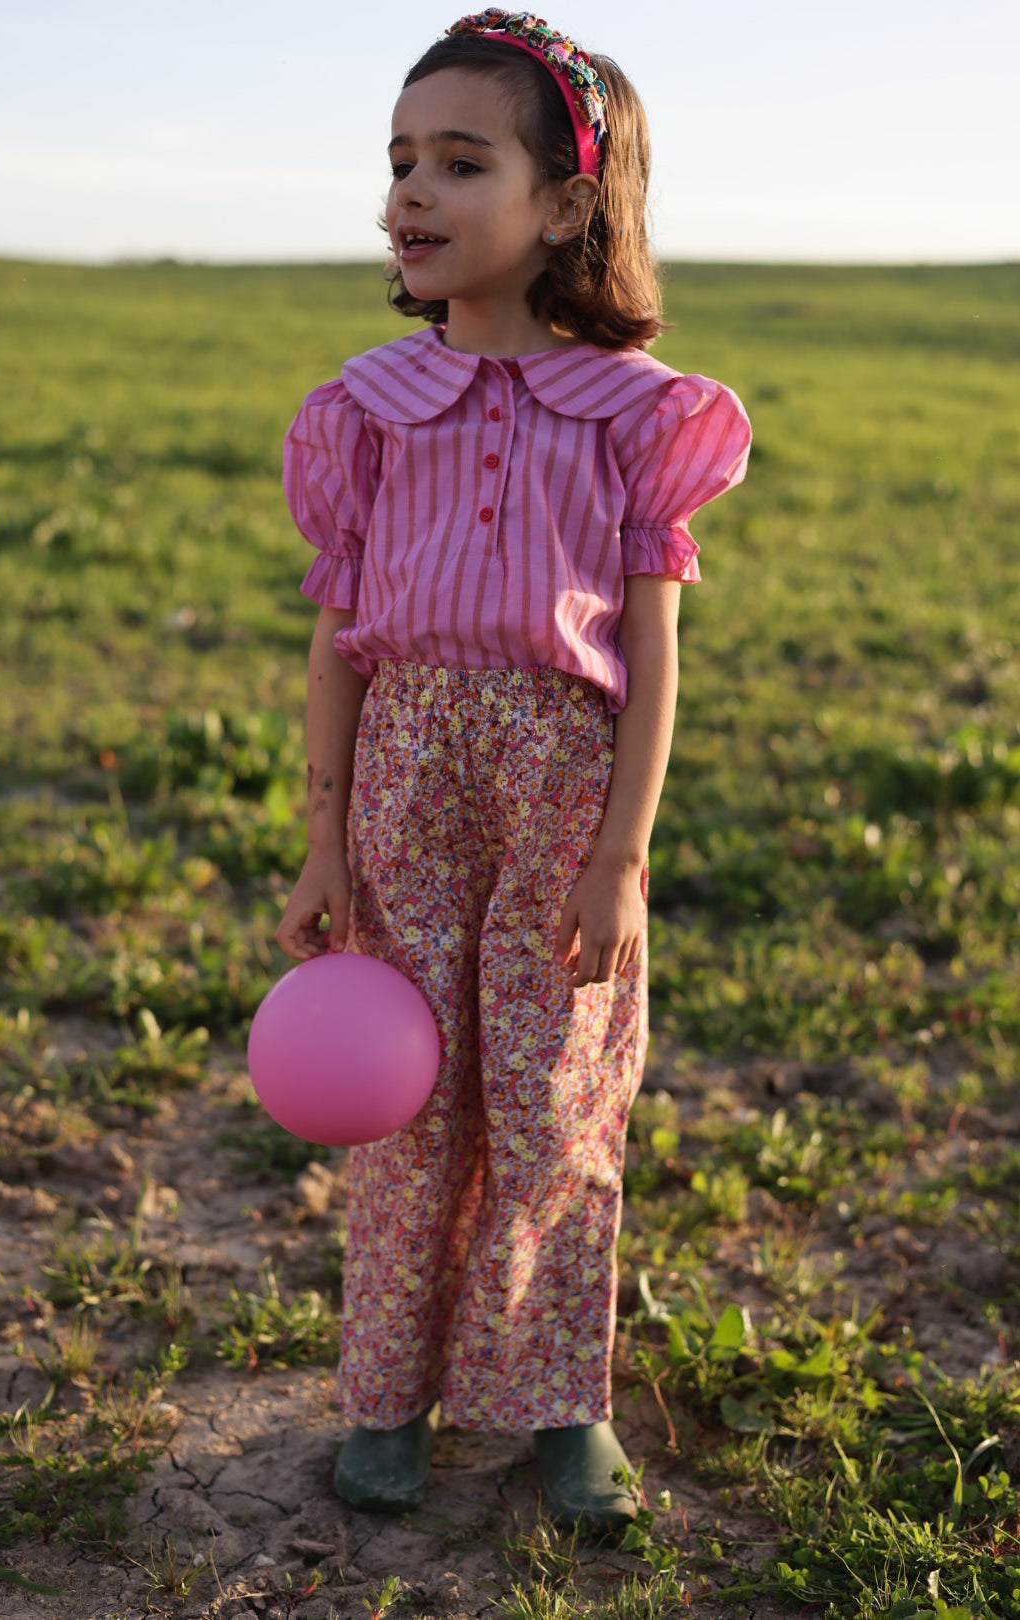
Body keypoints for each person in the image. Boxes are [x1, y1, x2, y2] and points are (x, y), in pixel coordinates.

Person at [275, 8, 750, 1528]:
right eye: (400, 160)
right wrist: (323, 836)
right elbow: (343, 642)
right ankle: (387, 1400)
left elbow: (655, 656)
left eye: (459, 162)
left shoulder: (635, 419)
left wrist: (620, 854)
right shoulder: (366, 414)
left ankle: (559, 1399)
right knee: (411, 1103)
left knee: (557, 1099)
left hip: (562, 790)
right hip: (410, 778)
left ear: (563, 206)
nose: (410, 191)